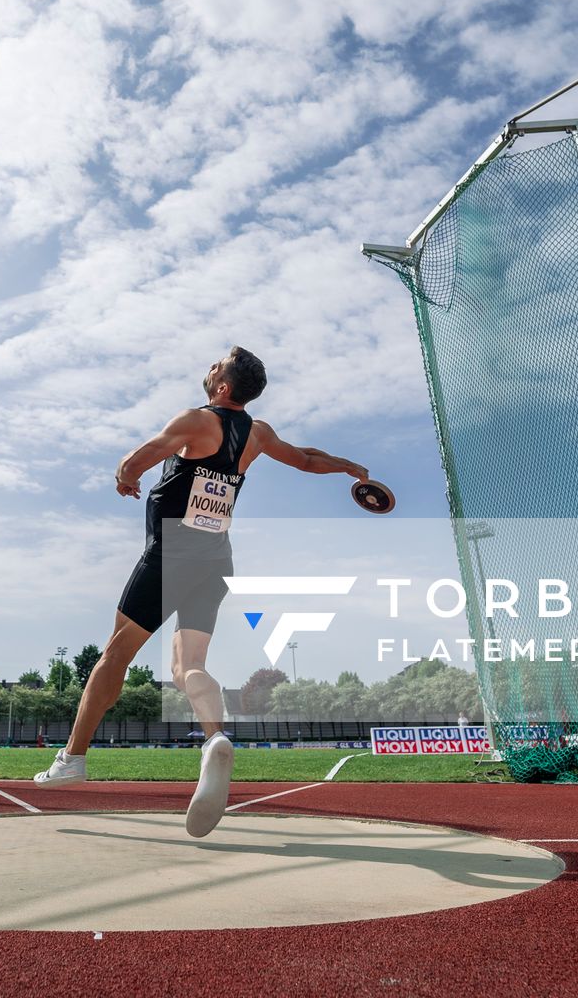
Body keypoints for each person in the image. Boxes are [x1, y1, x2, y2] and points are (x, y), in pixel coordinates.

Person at [34, 346, 368, 837]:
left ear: (222, 387)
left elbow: (136, 460)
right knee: (188, 666)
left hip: (169, 556)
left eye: (216, 365)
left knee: (116, 654)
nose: (209, 367)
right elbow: (306, 460)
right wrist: (349, 467)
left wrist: (124, 478)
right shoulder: (258, 434)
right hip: (215, 561)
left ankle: (73, 758)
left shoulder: (196, 421)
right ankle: (214, 740)